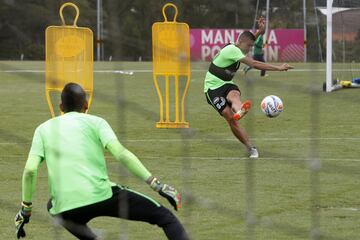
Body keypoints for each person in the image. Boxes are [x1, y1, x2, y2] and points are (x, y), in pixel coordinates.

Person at [14, 83, 189, 240]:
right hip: (102, 195)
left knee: (52, 205)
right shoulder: (96, 122)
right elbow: (121, 154)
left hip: (65, 207)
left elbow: (30, 170)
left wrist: (26, 210)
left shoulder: (42, 129)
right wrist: (157, 186)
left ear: (60, 106)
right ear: (86, 105)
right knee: (164, 217)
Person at [204, 19, 293, 158]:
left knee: (234, 94)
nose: (250, 49)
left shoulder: (238, 45)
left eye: (251, 47)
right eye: (249, 47)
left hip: (226, 83)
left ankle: (240, 110)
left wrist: (259, 32)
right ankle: (250, 147)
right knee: (229, 117)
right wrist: (279, 68)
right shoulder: (232, 50)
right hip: (212, 88)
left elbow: (247, 40)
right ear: (241, 43)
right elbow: (254, 64)